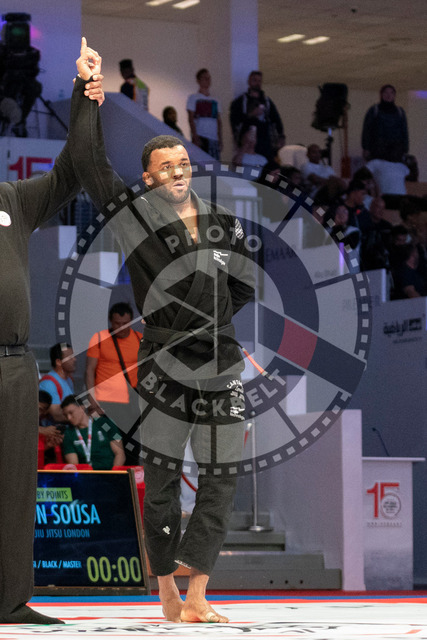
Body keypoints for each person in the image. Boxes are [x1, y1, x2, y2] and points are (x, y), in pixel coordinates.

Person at [69, 39, 254, 624]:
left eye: (183, 164)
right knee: (165, 476)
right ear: (149, 178)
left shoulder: (225, 224)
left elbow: (244, 286)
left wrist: (214, 323)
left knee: (222, 476)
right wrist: (86, 95)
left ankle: (198, 592)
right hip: (164, 363)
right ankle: (168, 589)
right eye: (165, 167)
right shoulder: (135, 219)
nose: (177, 172)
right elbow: (92, 166)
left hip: (221, 362)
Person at [0, 41, 104, 625]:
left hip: (14, 366)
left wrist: (84, 96)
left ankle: (10, 600)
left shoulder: (10, 199)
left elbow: (69, 173)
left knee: (15, 488)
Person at [85, 302, 143, 464]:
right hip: (106, 403)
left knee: (132, 445)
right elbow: (89, 371)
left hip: (131, 403)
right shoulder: (99, 339)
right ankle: (112, 475)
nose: (121, 327)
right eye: (117, 323)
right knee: (110, 445)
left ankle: (130, 477)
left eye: (126, 323)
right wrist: (92, 401)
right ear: (111, 321)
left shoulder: (139, 339)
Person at [229, 70, 285, 161]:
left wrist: (281, 136)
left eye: (259, 81)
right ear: (249, 82)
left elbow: (276, 119)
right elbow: (235, 121)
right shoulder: (241, 101)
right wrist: (251, 114)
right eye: (254, 80)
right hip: (248, 142)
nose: (257, 83)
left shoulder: (267, 101)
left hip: (265, 141)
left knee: (266, 164)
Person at [60, 395, 125, 469]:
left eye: (71, 413)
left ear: (82, 408)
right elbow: (74, 465)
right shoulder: (68, 434)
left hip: (110, 472)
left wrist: (113, 474)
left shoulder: (105, 424)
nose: (68, 418)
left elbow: (120, 454)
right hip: (85, 475)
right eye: (65, 415)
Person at [361, 84, 409, 163]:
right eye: (386, 92)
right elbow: (367, 130)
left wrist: (405, 149)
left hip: (396, 151)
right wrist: (366, 148)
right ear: (381, 94)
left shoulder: (400, 112)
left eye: (391, 93)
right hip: (377, 150)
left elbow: (404, 131)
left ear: (394, 95)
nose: (388, 95)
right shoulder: (374, 110)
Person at [186, 68, 222, 160]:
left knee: (213, 164)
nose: (207, 80)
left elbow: (218, 120)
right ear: (198, 80)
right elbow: (191, 118)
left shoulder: (215, 100)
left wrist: (220, 138)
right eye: (204, 78)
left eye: (209, 78)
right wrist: (195, 136)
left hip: (214, 137)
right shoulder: (193, 98)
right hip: (201, 135)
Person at [39, 342, 76, 422]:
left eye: (73, 356)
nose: (74, 359)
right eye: (70, 357)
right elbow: (56, 415)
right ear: (58, 362)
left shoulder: (69, 380)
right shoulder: (49, 383)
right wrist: (81, 417)